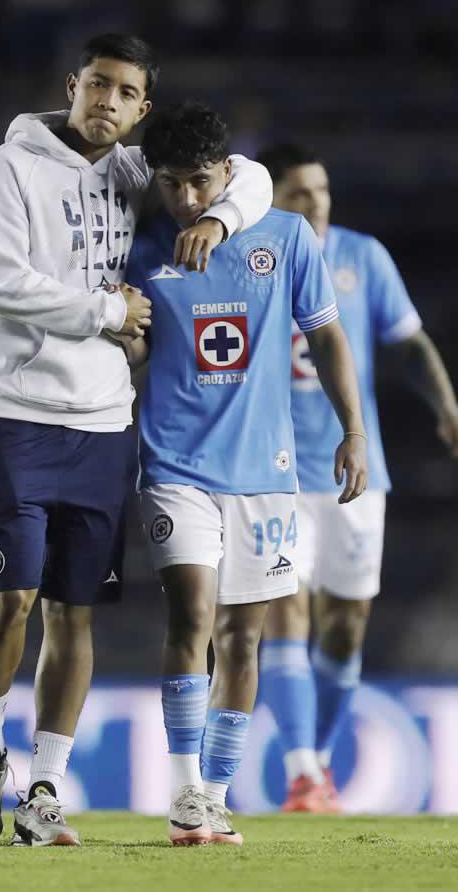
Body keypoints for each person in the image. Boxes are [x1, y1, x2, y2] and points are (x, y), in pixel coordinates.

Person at [0, 34, 272, 848]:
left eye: (125, 92)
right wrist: (106, 314)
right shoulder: (8, 169)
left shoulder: (133, 172)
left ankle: (46, 790)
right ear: (71, 85)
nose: (107, 100)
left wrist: (223, 219)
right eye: (97, 84)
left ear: (142, 109)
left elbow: (253, 175)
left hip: (100, 422)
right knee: (13, 595)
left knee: (74, 614)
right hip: (14, 409)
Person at [119, 103, 366, 846]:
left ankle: (217, 794)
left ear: (227, 173)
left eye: (199, 182)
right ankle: (185, 787)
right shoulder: (139, 250)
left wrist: (353, 430)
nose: (186, 200)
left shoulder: (286, 237)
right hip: (175, 462)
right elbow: (128, 348)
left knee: (243, 636)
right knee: (193, 615)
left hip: (265, 470)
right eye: (170, 185)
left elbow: (327, 339)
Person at [251, 143, 458, 812]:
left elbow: (408, 343)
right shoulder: (252, 255)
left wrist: (450, 412)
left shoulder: (362, 257)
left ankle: (316, 764)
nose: (316, 203)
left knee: (346, 625)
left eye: (321, 190)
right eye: (299, 193)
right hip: (273, 469)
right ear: (271, 203)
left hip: (355, 468)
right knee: (286, 610)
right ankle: (299, 771)